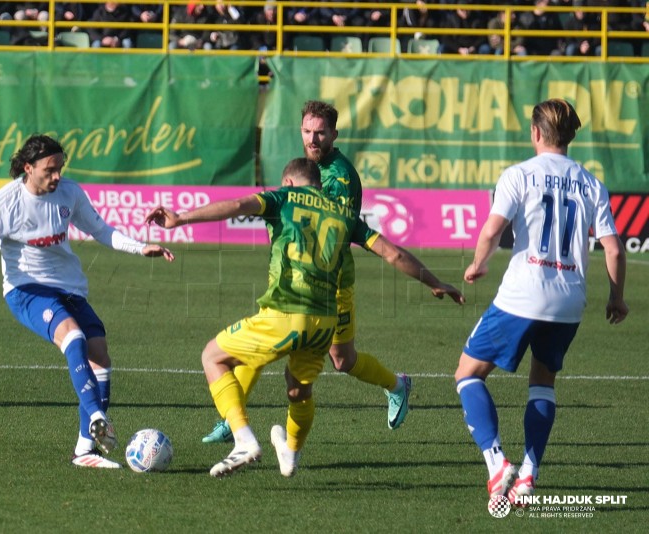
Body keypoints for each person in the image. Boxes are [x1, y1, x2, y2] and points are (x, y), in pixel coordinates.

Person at [146, 158, 461, 477]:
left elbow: (239, 204)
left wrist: (181, 219)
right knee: (299, 390)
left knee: (213, 357)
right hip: (325, 322)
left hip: (286, 311)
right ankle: (291, 453)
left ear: (290, 183)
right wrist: (435, 283)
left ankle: (242, 440)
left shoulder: (282, 198)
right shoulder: (344, 213)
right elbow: (393, 253)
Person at [201, 99, 465, 444]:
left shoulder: (339, 178)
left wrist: (431, 280)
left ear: (334, 134)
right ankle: (232, 418)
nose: (313, 140)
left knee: (343, 359)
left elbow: (335, 231)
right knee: (263, 340)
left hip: (333, 282)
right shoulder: (306, 169)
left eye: (321, 133)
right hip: (299, 281)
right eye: (308, 132)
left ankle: (397, 385)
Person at [0, 134, 174, 468]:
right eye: (50, 170)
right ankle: (97, 417)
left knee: (101, 358)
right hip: (25, 290)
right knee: (73, 337)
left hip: (69, 288)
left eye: (60, 168)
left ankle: (84, 451)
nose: (57, 176)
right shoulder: (5, 203)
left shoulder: (69, 193)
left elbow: (101, 230)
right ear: (28, 168)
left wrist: (140, 247)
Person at [454, 99, 628, 504]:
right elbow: (615, 250)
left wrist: (479, 263)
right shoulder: (591, 183)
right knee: (543, 382)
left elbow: (492, 229)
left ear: (535, 132)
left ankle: (497, 462)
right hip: (569, 301)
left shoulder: (518, 175)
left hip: (522, 295)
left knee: (467, 374)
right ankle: (529, 474)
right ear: (570, 136)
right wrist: (616, 298)